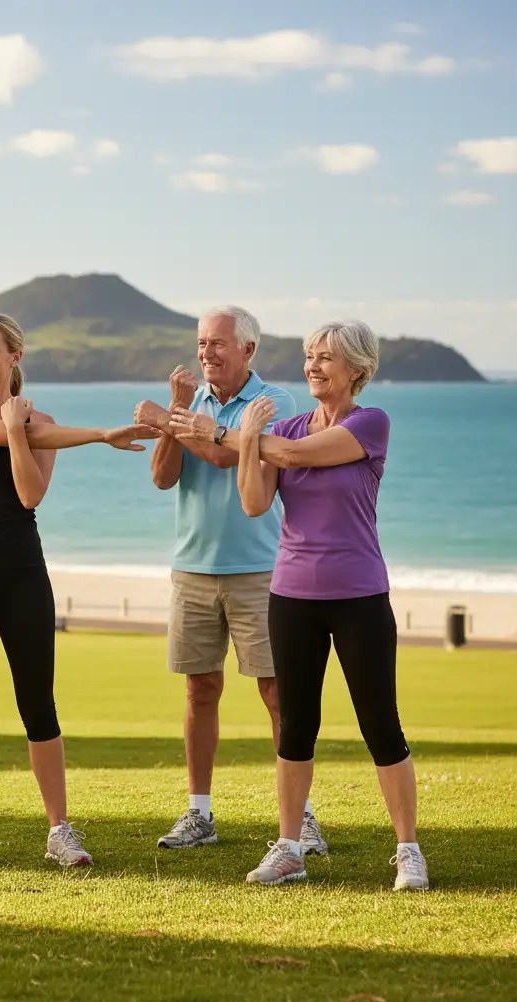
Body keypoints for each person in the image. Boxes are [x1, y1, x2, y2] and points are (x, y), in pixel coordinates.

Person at [0, 312, 160, 870]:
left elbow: (29, 494)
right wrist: (82, 432)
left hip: (22, 573)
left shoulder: (45, 424)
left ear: (15, 357)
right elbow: (18, 431)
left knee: (39, 706)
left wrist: (23, 429)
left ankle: (59, 831)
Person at [169, 320, 428, 891]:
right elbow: (255, 500)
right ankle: (289, 849)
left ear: (356, 370)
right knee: (296, 728)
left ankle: (408, 849)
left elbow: (289, 452)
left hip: (359, 595)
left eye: (325, 359)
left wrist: (224, 433)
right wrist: (245, 441)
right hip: (291, 597)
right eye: (309, 357)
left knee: (379, 724)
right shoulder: (280, 425)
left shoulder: (369, 424)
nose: (312, 367)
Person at [135, 306, 328, 855]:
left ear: (248, 350)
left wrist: (167, 417)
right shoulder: (189, 404)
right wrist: (175, 412)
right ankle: (199, 813)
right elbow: (162, 476)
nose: (206, 353)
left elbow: (227, 456)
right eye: (201, 343)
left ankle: (302, 818)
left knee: (276, 694)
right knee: (200, 690)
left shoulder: (276, 403)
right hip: (192, 569)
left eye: (218, 343)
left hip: (261, 571)